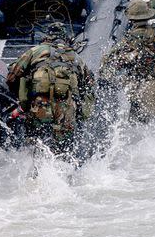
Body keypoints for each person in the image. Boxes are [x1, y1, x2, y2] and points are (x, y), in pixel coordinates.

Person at [6, 22, 94, 156]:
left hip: (39, 107)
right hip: (67, 111)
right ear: (65, 38)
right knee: (64, 151)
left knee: (36, 145)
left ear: (47, 37)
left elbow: (12, 76)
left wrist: (20, 98)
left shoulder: (36, 51)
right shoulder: (77, 58)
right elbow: (88, 86)